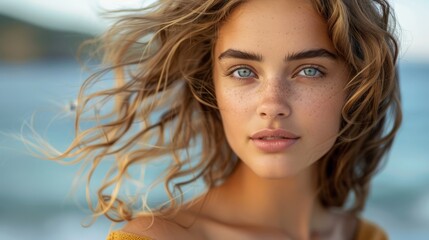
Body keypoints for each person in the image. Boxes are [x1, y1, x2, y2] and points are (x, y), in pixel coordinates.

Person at [46, 0, 401, 239]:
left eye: (309, 70)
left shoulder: (364, 236)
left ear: (356, 84)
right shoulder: (152, 239)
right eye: (243, 71)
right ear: (211, 86)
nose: (272, 105)